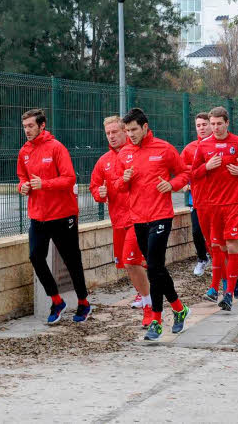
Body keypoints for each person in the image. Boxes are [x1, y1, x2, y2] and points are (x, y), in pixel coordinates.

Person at [111, 108, 190, 341]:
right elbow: (116, 185)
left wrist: (172, 185)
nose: (130, 134)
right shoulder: (124, 154)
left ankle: (156, 320)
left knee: (154, 265)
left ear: (145, 127)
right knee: (155, 268)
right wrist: (123, 181)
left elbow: (185, 173)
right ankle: (178, 308)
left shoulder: (164, 149)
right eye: (127, 130)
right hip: (138, 219)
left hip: (161, 215)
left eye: (134, 129)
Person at [16, 108, 91, 324]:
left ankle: (83, 302)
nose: (27, 130)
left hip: (62, 214)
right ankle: (57, 301)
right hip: (38, 216)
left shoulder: (57, 148)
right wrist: (23, 186)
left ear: (42, 125)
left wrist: (45, 184)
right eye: (25, 127)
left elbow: (69, 178)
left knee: (71, 260)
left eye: (31, 126)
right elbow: (22, 176)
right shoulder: (24, 152)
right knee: (35, 257)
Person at [90, 116, 152, 327]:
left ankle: (147, 302)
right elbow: (94, 187)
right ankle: (145, 295)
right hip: (118, 219)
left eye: (115, 132)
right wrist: (100, 193)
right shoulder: (103, 161)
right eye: (108, 133)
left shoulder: (138, 154)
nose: (112, 136)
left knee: (132, 260)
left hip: (139, 217)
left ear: (125, 131)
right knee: (127, 263)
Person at [189, 106, 238, 312]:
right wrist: (206, 167)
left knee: (232, 247)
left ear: (227, 123)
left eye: (219, 123)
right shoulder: (204, 146)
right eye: (212, 124)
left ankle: (228, 294)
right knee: (219, 249)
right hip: (213, 205)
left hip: (235, 203)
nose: (215, 128)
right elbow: (193, 174)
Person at [181, 113, 213, 276]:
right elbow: (182, 169)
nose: (202, 128)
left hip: (216, 198)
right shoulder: (190, 148)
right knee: (197, 231)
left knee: (215, 233)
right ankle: (202, 258)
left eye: (204, 124)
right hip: (197, 197)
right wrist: (186, 182)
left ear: (211, 125)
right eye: (198, 125)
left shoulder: (218, 145)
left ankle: (219, 263)